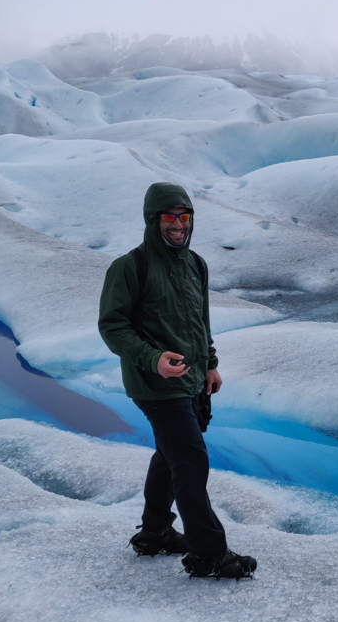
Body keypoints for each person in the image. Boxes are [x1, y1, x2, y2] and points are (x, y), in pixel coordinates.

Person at [98, 182, 256, 580]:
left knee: (171, 454)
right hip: (154, 383)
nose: (178, 225)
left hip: (190, 379)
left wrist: (210, 365)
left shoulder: (196, 264)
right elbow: (112, 326)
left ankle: (155, 533)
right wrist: (153, 359)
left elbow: (199, 322)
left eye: (184, 217)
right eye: (170, 217)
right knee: (189, 460)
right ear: (154, 220)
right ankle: (209, 554)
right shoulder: (130, 267)